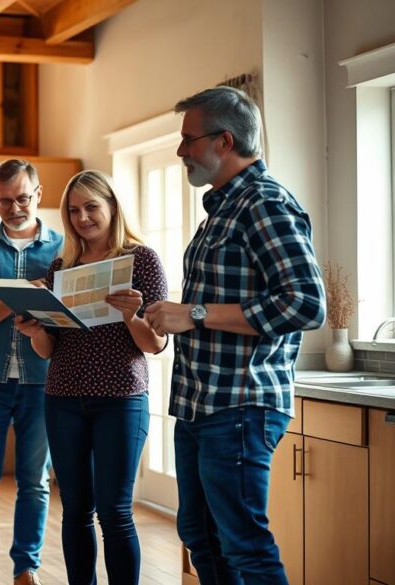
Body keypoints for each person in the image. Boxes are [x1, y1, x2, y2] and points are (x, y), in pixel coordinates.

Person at [145, 86, 326, 585]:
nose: (181, 150)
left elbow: (306, 304)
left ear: (224, 141)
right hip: (201, 403)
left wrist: (195, 313)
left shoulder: (264, 204)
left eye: (188, 139)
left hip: (241, 405)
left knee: (243, 543)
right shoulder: (222, 209)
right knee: (200, 535)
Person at [17, 170, 168, 585]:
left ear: (112, 207)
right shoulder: (62, 265)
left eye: (91, 207)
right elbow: (52, 348)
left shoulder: (142, 260)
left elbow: (155, 345)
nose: (82, 217)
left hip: (120, 398)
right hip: (63, 396)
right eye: (74, 210)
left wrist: (131, 316)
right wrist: (36, 333)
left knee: (115, 511)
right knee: (76, 509)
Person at [0, 159, 63, 585]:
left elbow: (69, 317)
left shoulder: (63, 249)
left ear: (39, 194)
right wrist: (27, 296)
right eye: (5, 201)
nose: (15, 208)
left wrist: (16, 301)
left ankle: (26, 568)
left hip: (43, 380)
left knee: (35, 481)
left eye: (23, 198)